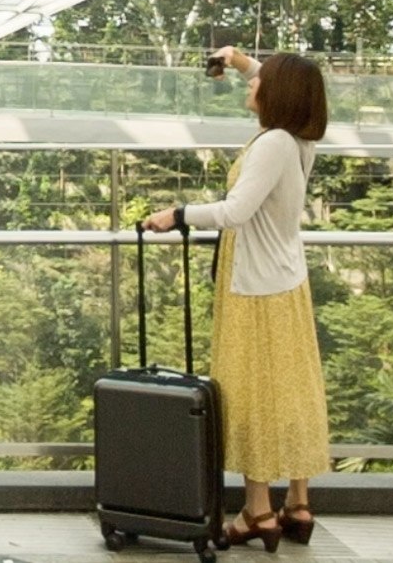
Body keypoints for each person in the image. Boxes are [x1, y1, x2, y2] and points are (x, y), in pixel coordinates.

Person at [142, 46, 330, 552]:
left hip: (255, 288)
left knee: (252, 394)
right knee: (290, 388)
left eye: (258, 82)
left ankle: (257, 511)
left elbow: (236, 210)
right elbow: (276, 77)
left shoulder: (271, 144)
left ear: (280, 95)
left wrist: (176, 213)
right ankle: (297, 503)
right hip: (287, 280)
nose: (252, 84)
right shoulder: (299, 140)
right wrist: (239, 60)